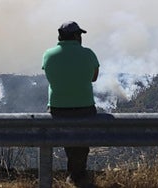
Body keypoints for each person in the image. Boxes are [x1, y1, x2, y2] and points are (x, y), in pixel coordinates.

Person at [42, 21, 100, 187]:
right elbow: (94, 77)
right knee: (81, 144)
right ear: (76, 36)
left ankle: (74, 176)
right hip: (84, 108)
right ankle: (77, 176)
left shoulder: (48, 54)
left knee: (70, 142)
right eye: (79, 35)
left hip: (57, 109)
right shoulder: (88, 54)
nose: (81, 37)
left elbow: (50, 75)